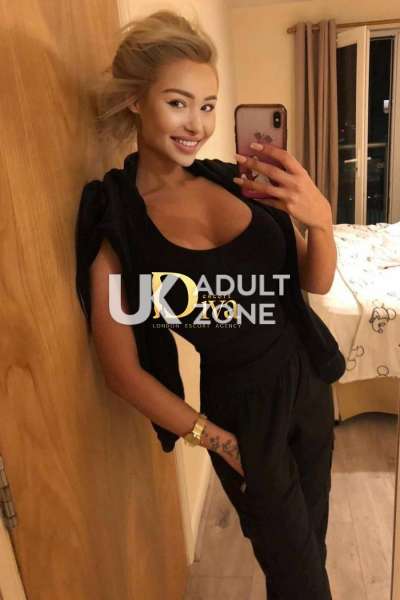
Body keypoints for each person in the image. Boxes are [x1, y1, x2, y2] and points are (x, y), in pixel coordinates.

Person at [76, 9, 344, 599]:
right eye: (178, 103)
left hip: (307, 383)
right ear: (135, 101)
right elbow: (121, 372)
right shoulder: (120, 230)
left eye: (208, 105)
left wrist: (320, 221)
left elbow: (315, 282)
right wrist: (221, 442)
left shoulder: (235, 180)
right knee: (300, 579)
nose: (196, 124)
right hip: (241, 414)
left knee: (310, 549)